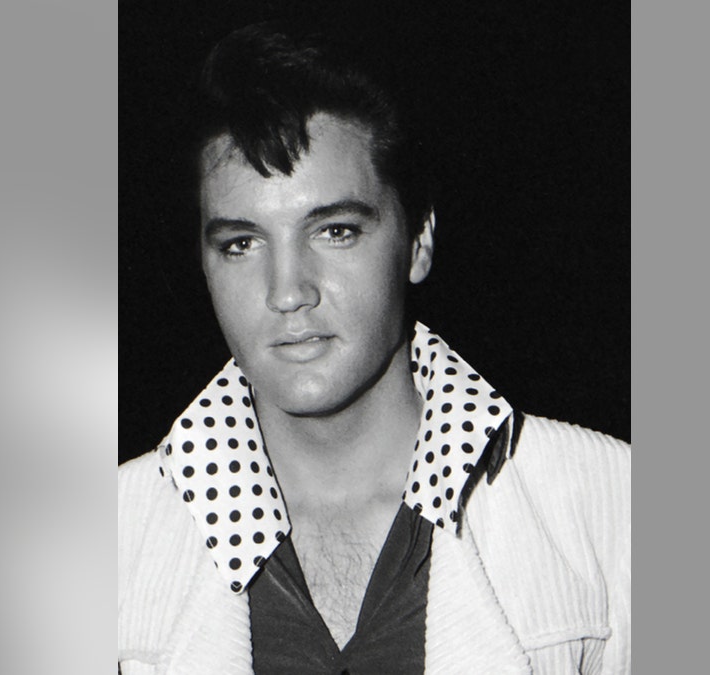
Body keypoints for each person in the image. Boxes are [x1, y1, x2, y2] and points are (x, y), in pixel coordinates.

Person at [118, 21, 630, 675]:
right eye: (241, 243)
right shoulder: (98, 540)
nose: (287, 292)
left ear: (418, 241)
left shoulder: (611, 506)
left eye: (334, 230)